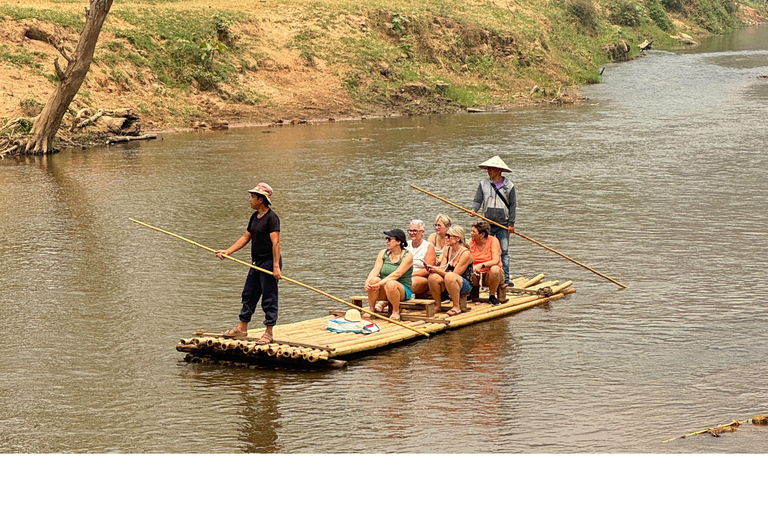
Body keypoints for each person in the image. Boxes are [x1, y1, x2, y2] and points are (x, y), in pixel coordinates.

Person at [215, 183, 282, 343]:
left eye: (253, 197)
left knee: (269, 297)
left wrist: (275, 266)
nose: (250, 200)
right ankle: (242, 328)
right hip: (256, 263)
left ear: (261, 200)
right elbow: (246, 237)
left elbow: (276, 243)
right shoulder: (254, 217)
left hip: (268, 263)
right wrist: (228, 251)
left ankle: (268, 332)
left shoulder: (272, 218)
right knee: (249, 294)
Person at [470, 155, 516, 285]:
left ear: (499, 170)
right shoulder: (483, 184)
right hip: (487, 224)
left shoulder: (509, 186)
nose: (489, 170)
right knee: (486, 249)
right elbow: (478, 200)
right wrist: (474, 210)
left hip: (503, 223)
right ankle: (485, 276)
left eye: (492, 168)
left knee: (504, 251)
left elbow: (513, 205)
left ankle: (505, 278)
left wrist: (511, 223)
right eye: (488, 168)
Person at [363, 228, 413, 321]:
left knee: (391, 283)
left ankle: (395, 311)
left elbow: (397, 274)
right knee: (373, 280)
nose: (387, 241)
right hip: (383, 286)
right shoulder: (383, 253)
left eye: (389, 239)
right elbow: (376, 269)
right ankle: (371, 309)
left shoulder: (407, 256)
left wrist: (380, 283)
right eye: (386, 238)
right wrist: (368, 282)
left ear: (398, 241)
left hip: (401, 289)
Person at [425, 225, 473, 317]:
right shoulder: (447, 249)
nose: (446, 238)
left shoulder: (465, 253)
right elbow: (442, 268)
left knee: (450, 276)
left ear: (458, 238)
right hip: (448, 278)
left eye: (448, 236)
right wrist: (433, 269)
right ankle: (438, 305)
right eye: (446, 235)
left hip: (463, 282)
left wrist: (437, 270)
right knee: (433, 277)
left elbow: (455, 274)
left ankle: (456, 306)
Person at [469, 220, 503, 305]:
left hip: (490, 273)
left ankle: (492, 295)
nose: (471, 233)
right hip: (476, 273)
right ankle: (473, 293)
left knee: (495, 269)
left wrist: (481, 265)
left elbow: (496, 260)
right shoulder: (470, 242)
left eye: (474, 231)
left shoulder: (493, 241)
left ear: (482, 234)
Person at [406, 219, 436, 296]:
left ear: (422, 232)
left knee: (410, 283)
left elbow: (428, 270)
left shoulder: (428, 247)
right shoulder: (405, 245)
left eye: (415, 231)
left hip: (421, 277)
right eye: (410, 231)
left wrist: (411, 274)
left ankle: (385, 302)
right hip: (404, 274)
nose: (412, 233)